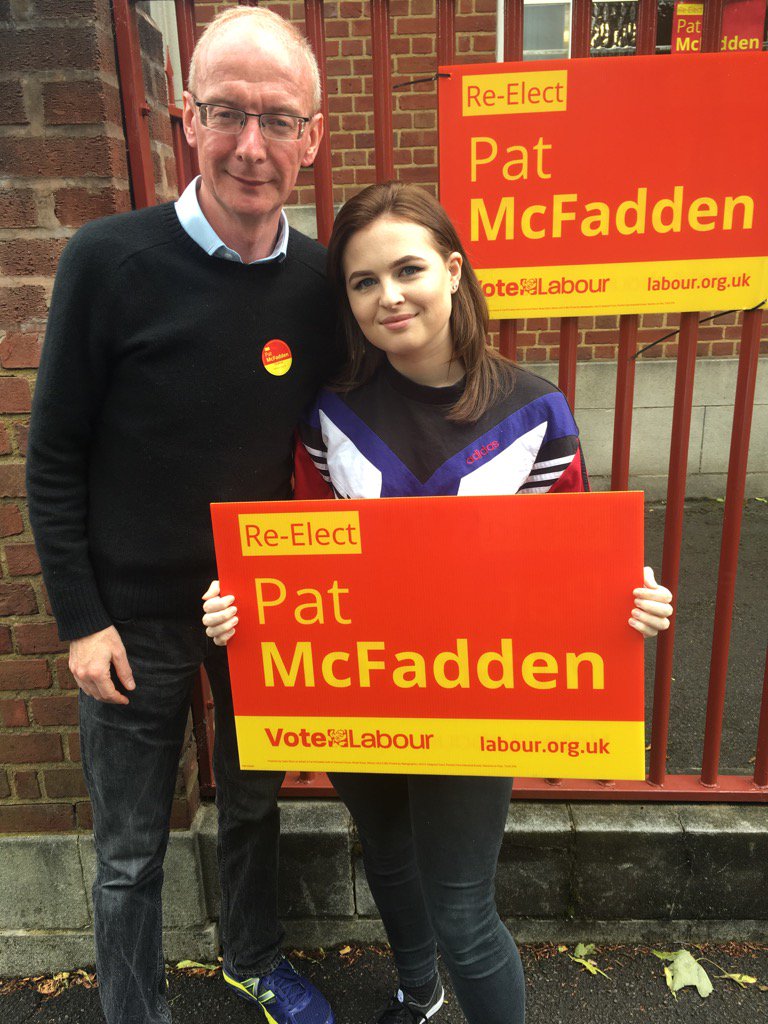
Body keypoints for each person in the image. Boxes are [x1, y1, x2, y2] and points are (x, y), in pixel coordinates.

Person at [202, 182, 675, 1024]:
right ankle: (417, 992)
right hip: (357, 683)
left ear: (453, 270)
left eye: (408, 269)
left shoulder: (535, 410)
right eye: (363, 281)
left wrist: (627, 600)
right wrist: (243, 604)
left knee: (463, 910)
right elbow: (300, 553)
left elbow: (571, 562)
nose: (388, 296)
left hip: (475, 688)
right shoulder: (329, 413)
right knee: (387, 857)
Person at [26, 8, 341, 1024]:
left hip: (261, 610)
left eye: (277, 119)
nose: (251, 145)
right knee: (129, 850)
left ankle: (253, 955)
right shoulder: (108, 261)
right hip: (134, 618)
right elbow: (53, 454)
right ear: (186, 119)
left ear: (312, 136)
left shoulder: (321, 284)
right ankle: (133, 1009)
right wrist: (82, 621)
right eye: (228, 113)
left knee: (254, 804)